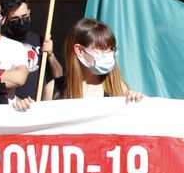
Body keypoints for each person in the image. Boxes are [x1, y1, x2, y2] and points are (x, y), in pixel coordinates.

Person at [13, 18, 144, 109]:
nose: (108, 54)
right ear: (79, 50)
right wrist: (26, 110)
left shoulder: (118, 88)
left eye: (111, 49)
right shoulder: (54, 89)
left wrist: (136, 101)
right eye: (101, 49)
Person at [2, 0, 62, 101]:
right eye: (15, 18)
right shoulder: (2, 43)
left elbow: (58, 75)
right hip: (12, 105)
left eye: (24, 16)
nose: (21, 21)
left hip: (38, 105)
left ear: (29, 12)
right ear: (6, 19)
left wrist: (51, 55)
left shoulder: (39, 40)